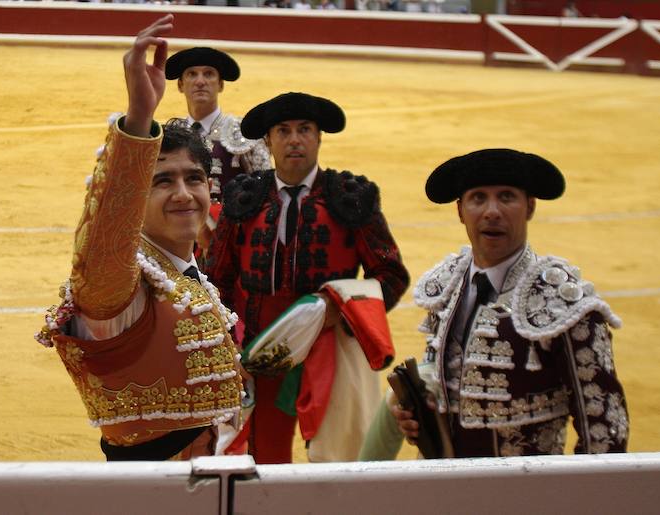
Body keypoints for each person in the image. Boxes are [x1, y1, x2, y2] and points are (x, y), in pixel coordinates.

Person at [35, 15, 245, 461]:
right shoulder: (119, 281)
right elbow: (104, 233)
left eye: (194, 178)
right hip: (151, 488)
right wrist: (138, 120)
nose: (184, 194)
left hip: (206, 475)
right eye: (162, 181)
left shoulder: (185, 274)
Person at [204, 92, 410, 464]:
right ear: (268, 141)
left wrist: (343, 310)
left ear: (318, 138)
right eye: (283, 131)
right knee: (264, 458)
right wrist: (229, 345)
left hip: (332, 349)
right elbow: (218, 277)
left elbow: (390, 274)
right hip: (262, 353)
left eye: (304, 130)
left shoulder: (349, 198)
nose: (294, 139)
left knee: (340, 456)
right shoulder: (244, 197)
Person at [390, 148, 629, 457]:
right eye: (478, 198)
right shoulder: (447, 286)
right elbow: (447, 386)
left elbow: (604, 426)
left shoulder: (561, 302)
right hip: (444, 490)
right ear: (460, 210)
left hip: (528, 495)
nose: (492, 212)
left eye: (506, 197)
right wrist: (422, 418)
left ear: (529, 207)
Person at [165, 47, 270, 207]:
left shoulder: (244, 132)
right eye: (192, 74)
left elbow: (265, 192)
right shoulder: (171, 134)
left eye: (209, 74)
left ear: (220, 85)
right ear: (180, 85)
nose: (200, 81)